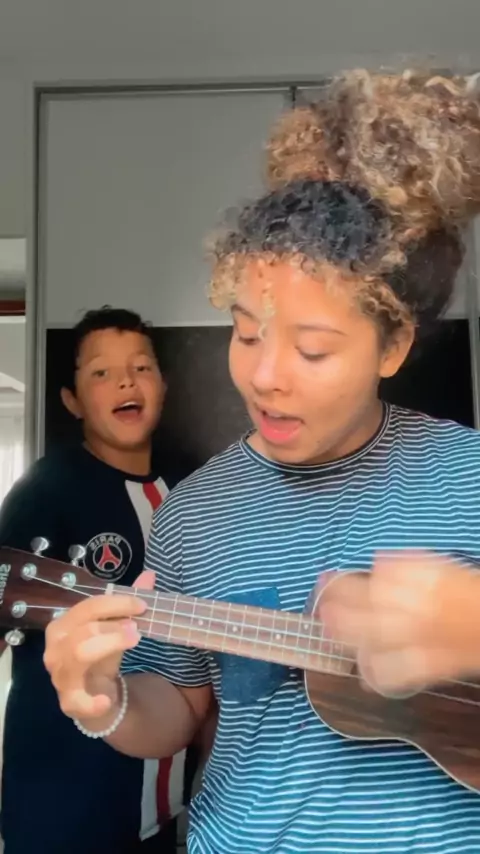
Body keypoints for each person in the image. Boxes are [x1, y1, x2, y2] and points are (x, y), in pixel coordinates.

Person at [42, 70, 480, 853]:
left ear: (393, 347)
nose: (265, 375)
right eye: (246, 334)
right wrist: (103, 703)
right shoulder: (194, 513)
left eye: (312, 349)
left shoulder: (467, 474)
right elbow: (180, 708)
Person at [0, 307, 197, 854]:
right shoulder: (47, 488)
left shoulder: (193, 487)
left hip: (162, 803)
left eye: (141, 367)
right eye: (101, 373)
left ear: (162, 385)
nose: (126, 382)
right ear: (72, 400)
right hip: (63, 799)